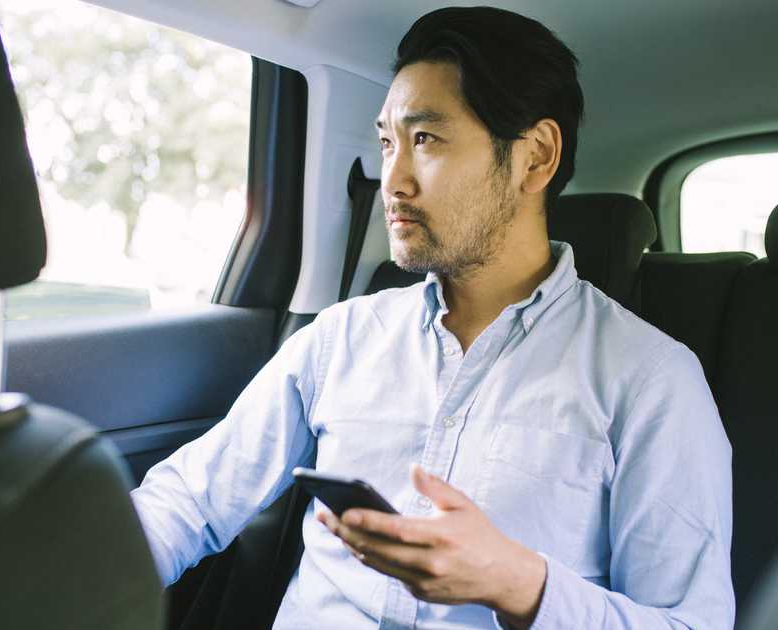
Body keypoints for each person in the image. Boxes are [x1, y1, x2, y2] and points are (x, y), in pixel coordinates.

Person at [131, 6, 734, 629]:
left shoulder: (651, 378)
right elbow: (189, 501)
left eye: (426, 140)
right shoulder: (340, 338)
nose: (393, 180)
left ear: (536, 158)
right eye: (387, 142)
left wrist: (519, 583)